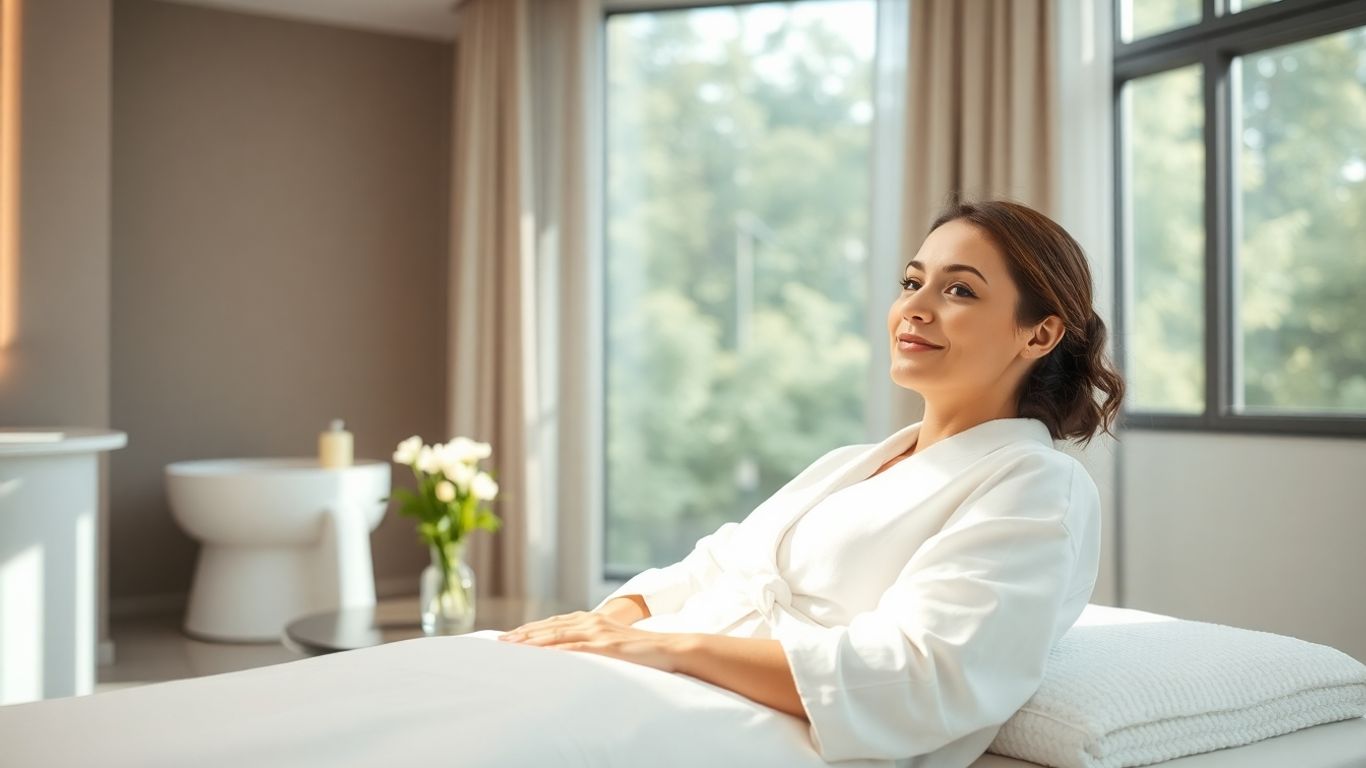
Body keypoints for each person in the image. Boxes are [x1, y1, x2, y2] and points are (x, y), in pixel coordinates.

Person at [498, 198, 1125, 767]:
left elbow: (924, 675)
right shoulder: (848, 464)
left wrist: (670, 651)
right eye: (911, 282)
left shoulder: (1037, 486)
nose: (914, 307)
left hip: (765, 727)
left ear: (1038, 333)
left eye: (958, 290)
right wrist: (605, 624)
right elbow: (714, 562)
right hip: (666, 679)